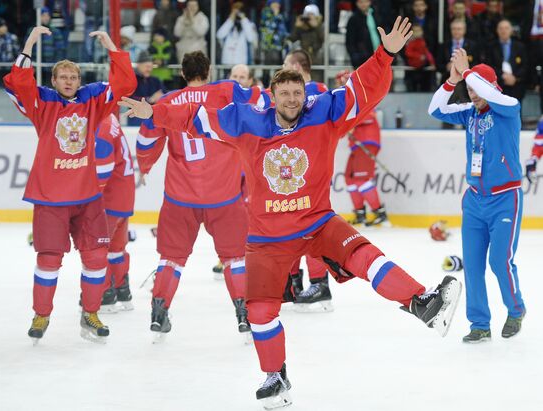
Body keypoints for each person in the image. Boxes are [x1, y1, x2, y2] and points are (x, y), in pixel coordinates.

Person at [120, 17, 461, 407]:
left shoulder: (323, 112)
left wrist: (384, 55)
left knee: (366, 255)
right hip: (266, 236)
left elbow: (360, 92)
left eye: (296, 92)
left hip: (317, 221)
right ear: (272, 96)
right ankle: (275, 377)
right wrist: (153, 115)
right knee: (260, 311)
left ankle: (423, 303)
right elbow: (196, 120)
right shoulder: (247, 120)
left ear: (304, 92)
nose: (291, 100)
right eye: (283, 94)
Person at [4, 26, 136, 344]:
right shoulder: (42, 104)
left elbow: (125, 84)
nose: (68, 81)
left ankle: (90, 313)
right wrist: (31, 41)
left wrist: (111, 47)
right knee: (49, 261)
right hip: (50, 198)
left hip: (87, 196)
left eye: (73, 77)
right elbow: (15, 82)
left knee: (96, 257)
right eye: (62, 76)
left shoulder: (92, 102)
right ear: (54, 81)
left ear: (79, 81)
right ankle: (41, 314)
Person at [135, 51, 270, 342]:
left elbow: (146, 139)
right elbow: (262, 100)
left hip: (179, 197)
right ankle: (243, 314)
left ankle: (159, 311)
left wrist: (144, 166)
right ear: (208, 72)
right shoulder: (226, 91)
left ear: (182, 74)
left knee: (171, 259)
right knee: (235, 258)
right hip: (225, 195)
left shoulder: (167, 102)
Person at [428, 49, 526, 343]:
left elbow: (488, 92)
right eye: (468, 90)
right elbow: (435, 110)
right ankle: (480, 323)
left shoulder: (509, 106)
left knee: (499, 260)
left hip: (505, 198)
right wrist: (452, 81)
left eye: (477, 88)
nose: (472, 94)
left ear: (493, 86)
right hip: (474, 201)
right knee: (472, 265)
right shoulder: (470, 112)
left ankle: (516, 309)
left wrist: (470, 73)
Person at [282, 48, 333, 312]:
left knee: (310, 227)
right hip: (297, 169)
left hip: (308, 171)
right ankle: (294, 283)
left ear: (297, 67)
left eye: (286, 65)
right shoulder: (318, 90)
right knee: (290, 226)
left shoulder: (312, 92)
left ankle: (319, 283)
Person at [335, 70, 388, 228]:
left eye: (339, 82)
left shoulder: (359, 94)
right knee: (349, 178)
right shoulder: (346, 98)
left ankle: (380, 213)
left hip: (366, 142)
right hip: (357, 145)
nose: (337, 85)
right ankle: (360, 214)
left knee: (361, 179)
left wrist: (350, 124)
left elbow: (369, 114)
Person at [94, 113, 136, 313]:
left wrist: (90, 200)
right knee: (116, 248)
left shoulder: (102, 125)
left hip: (109, 199)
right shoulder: (109, 119)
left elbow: (103, 168)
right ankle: (122, 291)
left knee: (97, 248)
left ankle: (104, 295)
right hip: (123, 196)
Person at [485, 19, 528, 103]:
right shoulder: (491, 47)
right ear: (497, 30)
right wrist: (502, 75)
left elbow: (525, 66)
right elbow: (489, 65)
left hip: (516, 85)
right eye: (501, 28)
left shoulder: (520, 46)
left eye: (506, 28)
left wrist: (515, 78)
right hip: (497, 85)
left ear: (511, 30)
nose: (503, 31)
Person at [25, 7, 65, 79]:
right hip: (35, 67)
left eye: (47, 15)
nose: (46, 18)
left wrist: (55, 65)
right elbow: (27, 48)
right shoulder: (32, 31)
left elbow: (60, 50)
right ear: (38, 17)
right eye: (43, 15)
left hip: (50, 67)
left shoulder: (55, 31)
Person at [129, 51, 165, 126]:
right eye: (147, 66)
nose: (149, 69)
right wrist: (150, 99)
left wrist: (162, 97)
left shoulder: (155, 80)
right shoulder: (132, 80)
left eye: (151, 67)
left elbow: (163, 94)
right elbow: (129, 99)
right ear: (138, 65)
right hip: (136, 118)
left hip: (153, 119)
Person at [346, 0, 381, 68]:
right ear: (356, 3)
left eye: (365, 1)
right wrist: (355, 57)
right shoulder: (353, 19)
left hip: (379, 56)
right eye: (360, 2)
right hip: (363, 59)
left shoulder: (376, 15)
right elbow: (350, 41)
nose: (363, 4)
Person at [259, 0, 288, 65]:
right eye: (275, 3)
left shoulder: (280, 16)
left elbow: (283, 31)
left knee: (277, 68)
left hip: (278, 46)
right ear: (270, 4)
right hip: (268, 47)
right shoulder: (265, 14)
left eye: (278, 4)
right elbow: (267, 29)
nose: (277, 5)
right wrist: (275, 16)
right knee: (267, 68)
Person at [0, 18, 18, 87]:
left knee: (10, 89)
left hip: (10, 69)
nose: (4, 28)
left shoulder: (12, 37)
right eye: (1, 26)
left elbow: (18, 52)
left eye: (5, 26)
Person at [525, 116, 543, 183]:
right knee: (535, 157)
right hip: (539, 142)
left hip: (538, 143)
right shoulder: (541, 123)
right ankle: (530, 169)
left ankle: (531, 169)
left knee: (535, 157)